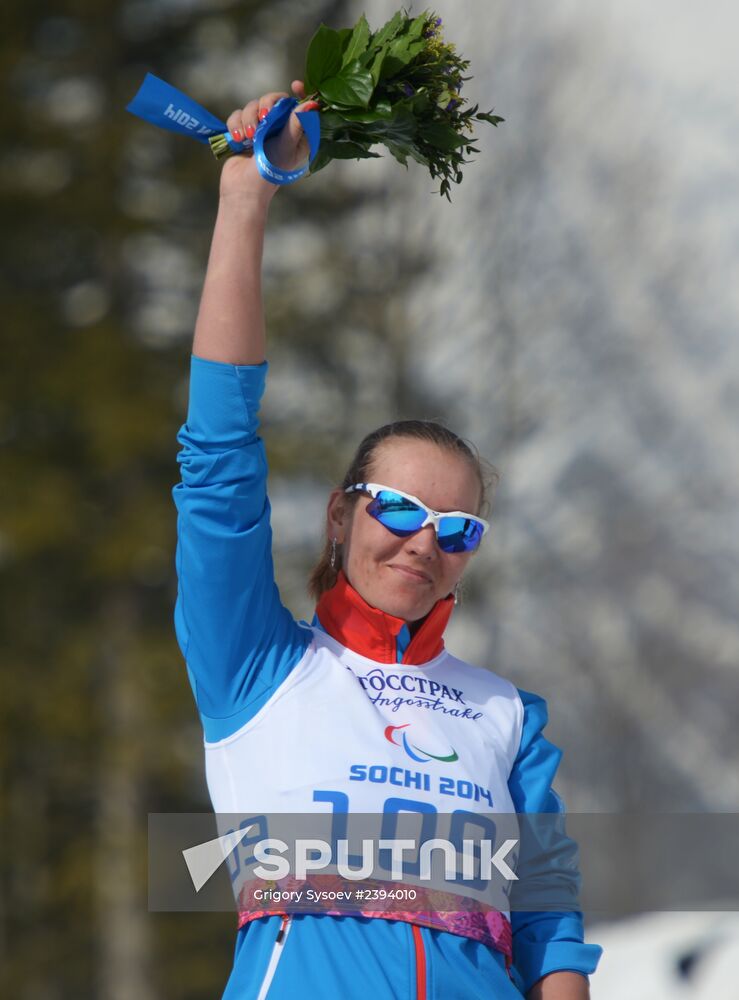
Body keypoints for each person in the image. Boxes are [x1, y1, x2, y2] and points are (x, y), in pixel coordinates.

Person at [172, 79, 602, 1000]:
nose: (422, 542)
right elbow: (217, 462)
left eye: (457, 528)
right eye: (397, 509)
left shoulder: (504, 718)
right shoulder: (258, 666)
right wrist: (245, 200)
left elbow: (548, 929)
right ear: (341, 514)